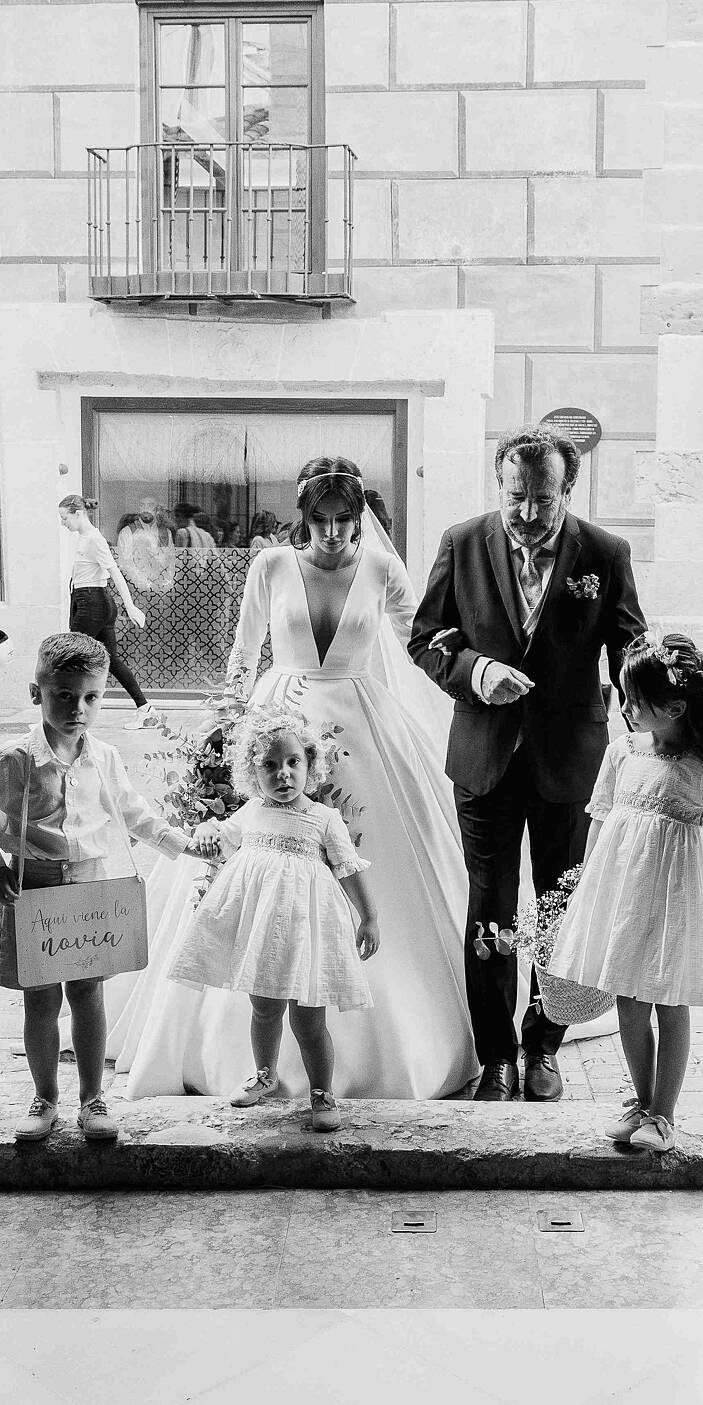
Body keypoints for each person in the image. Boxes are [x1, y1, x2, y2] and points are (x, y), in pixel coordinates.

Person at [112, 456, 478, 1103]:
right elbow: (243, 652)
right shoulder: (271, 567)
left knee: (381, 858)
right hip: (279, 722)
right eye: (321, 520)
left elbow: (423, 642)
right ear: (304, 519)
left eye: (345, 520)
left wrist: (473, 679)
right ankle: (245, 1053)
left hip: (367, 729)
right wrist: (226, 728)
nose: (334, 532)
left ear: (360, 519)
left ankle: (394, 1036)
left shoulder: (382, 569)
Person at [409, 424, 646, 1103]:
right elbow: (425, 640)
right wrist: (476, 671)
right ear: (500, 486)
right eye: (516, 498)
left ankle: (544, 1045)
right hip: (483, 757)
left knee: (560, 907)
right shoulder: (461, 543)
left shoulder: (605, 552)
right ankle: (497, 1056)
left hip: (570, 762)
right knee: (489, 906)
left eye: (544, 499)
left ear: (568, 489)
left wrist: (650, 722)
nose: (529, 514)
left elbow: (629, 646)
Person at [548, 635, 703, 1153]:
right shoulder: (622, 752)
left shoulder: (702, 768)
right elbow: (600, 816)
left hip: (675, 896)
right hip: (623, 893)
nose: (627, 708)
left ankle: (664, 1114)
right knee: (629, 1001)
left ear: (677, 706)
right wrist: (585, 885)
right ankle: (641, 1101)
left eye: (636, 700)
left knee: (669, 999)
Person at [0, 631, 198, 1144]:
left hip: (91, 885)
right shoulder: (14, 758)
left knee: (88, 993)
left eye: (90, 696)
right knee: (40, 998)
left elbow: (133, 813)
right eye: (63, 695)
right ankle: (44, 1098)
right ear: (36, 693)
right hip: (35, 886)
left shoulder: (105, 757)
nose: (78, 709)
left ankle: (93, 1099)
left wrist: (182, 844)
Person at [167, 705, 379, 1133]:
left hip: (306, 930)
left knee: (309, 1018)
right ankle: (265, 1074)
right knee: (263, 1008)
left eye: (293, 763)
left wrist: (369, 918)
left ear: (310, 766)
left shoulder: (324, 819)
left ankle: (322, 1092)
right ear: (253, 772)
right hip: (264, 931)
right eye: (270, 765)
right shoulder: (251, 812)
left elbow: (349, 869)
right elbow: (219, 838)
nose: (283, 774)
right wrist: (207, 827)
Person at [59, 494, 159, 732]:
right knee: (111, 660)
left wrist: (131, 606)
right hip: (93, 602)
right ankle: (145, 710)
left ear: (78, 514)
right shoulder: (85, 538)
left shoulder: (93, 539)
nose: (63, 523)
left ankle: (60, 717)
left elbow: (114, 572)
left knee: (71, 658)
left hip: (91, 604)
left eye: (65, 518)